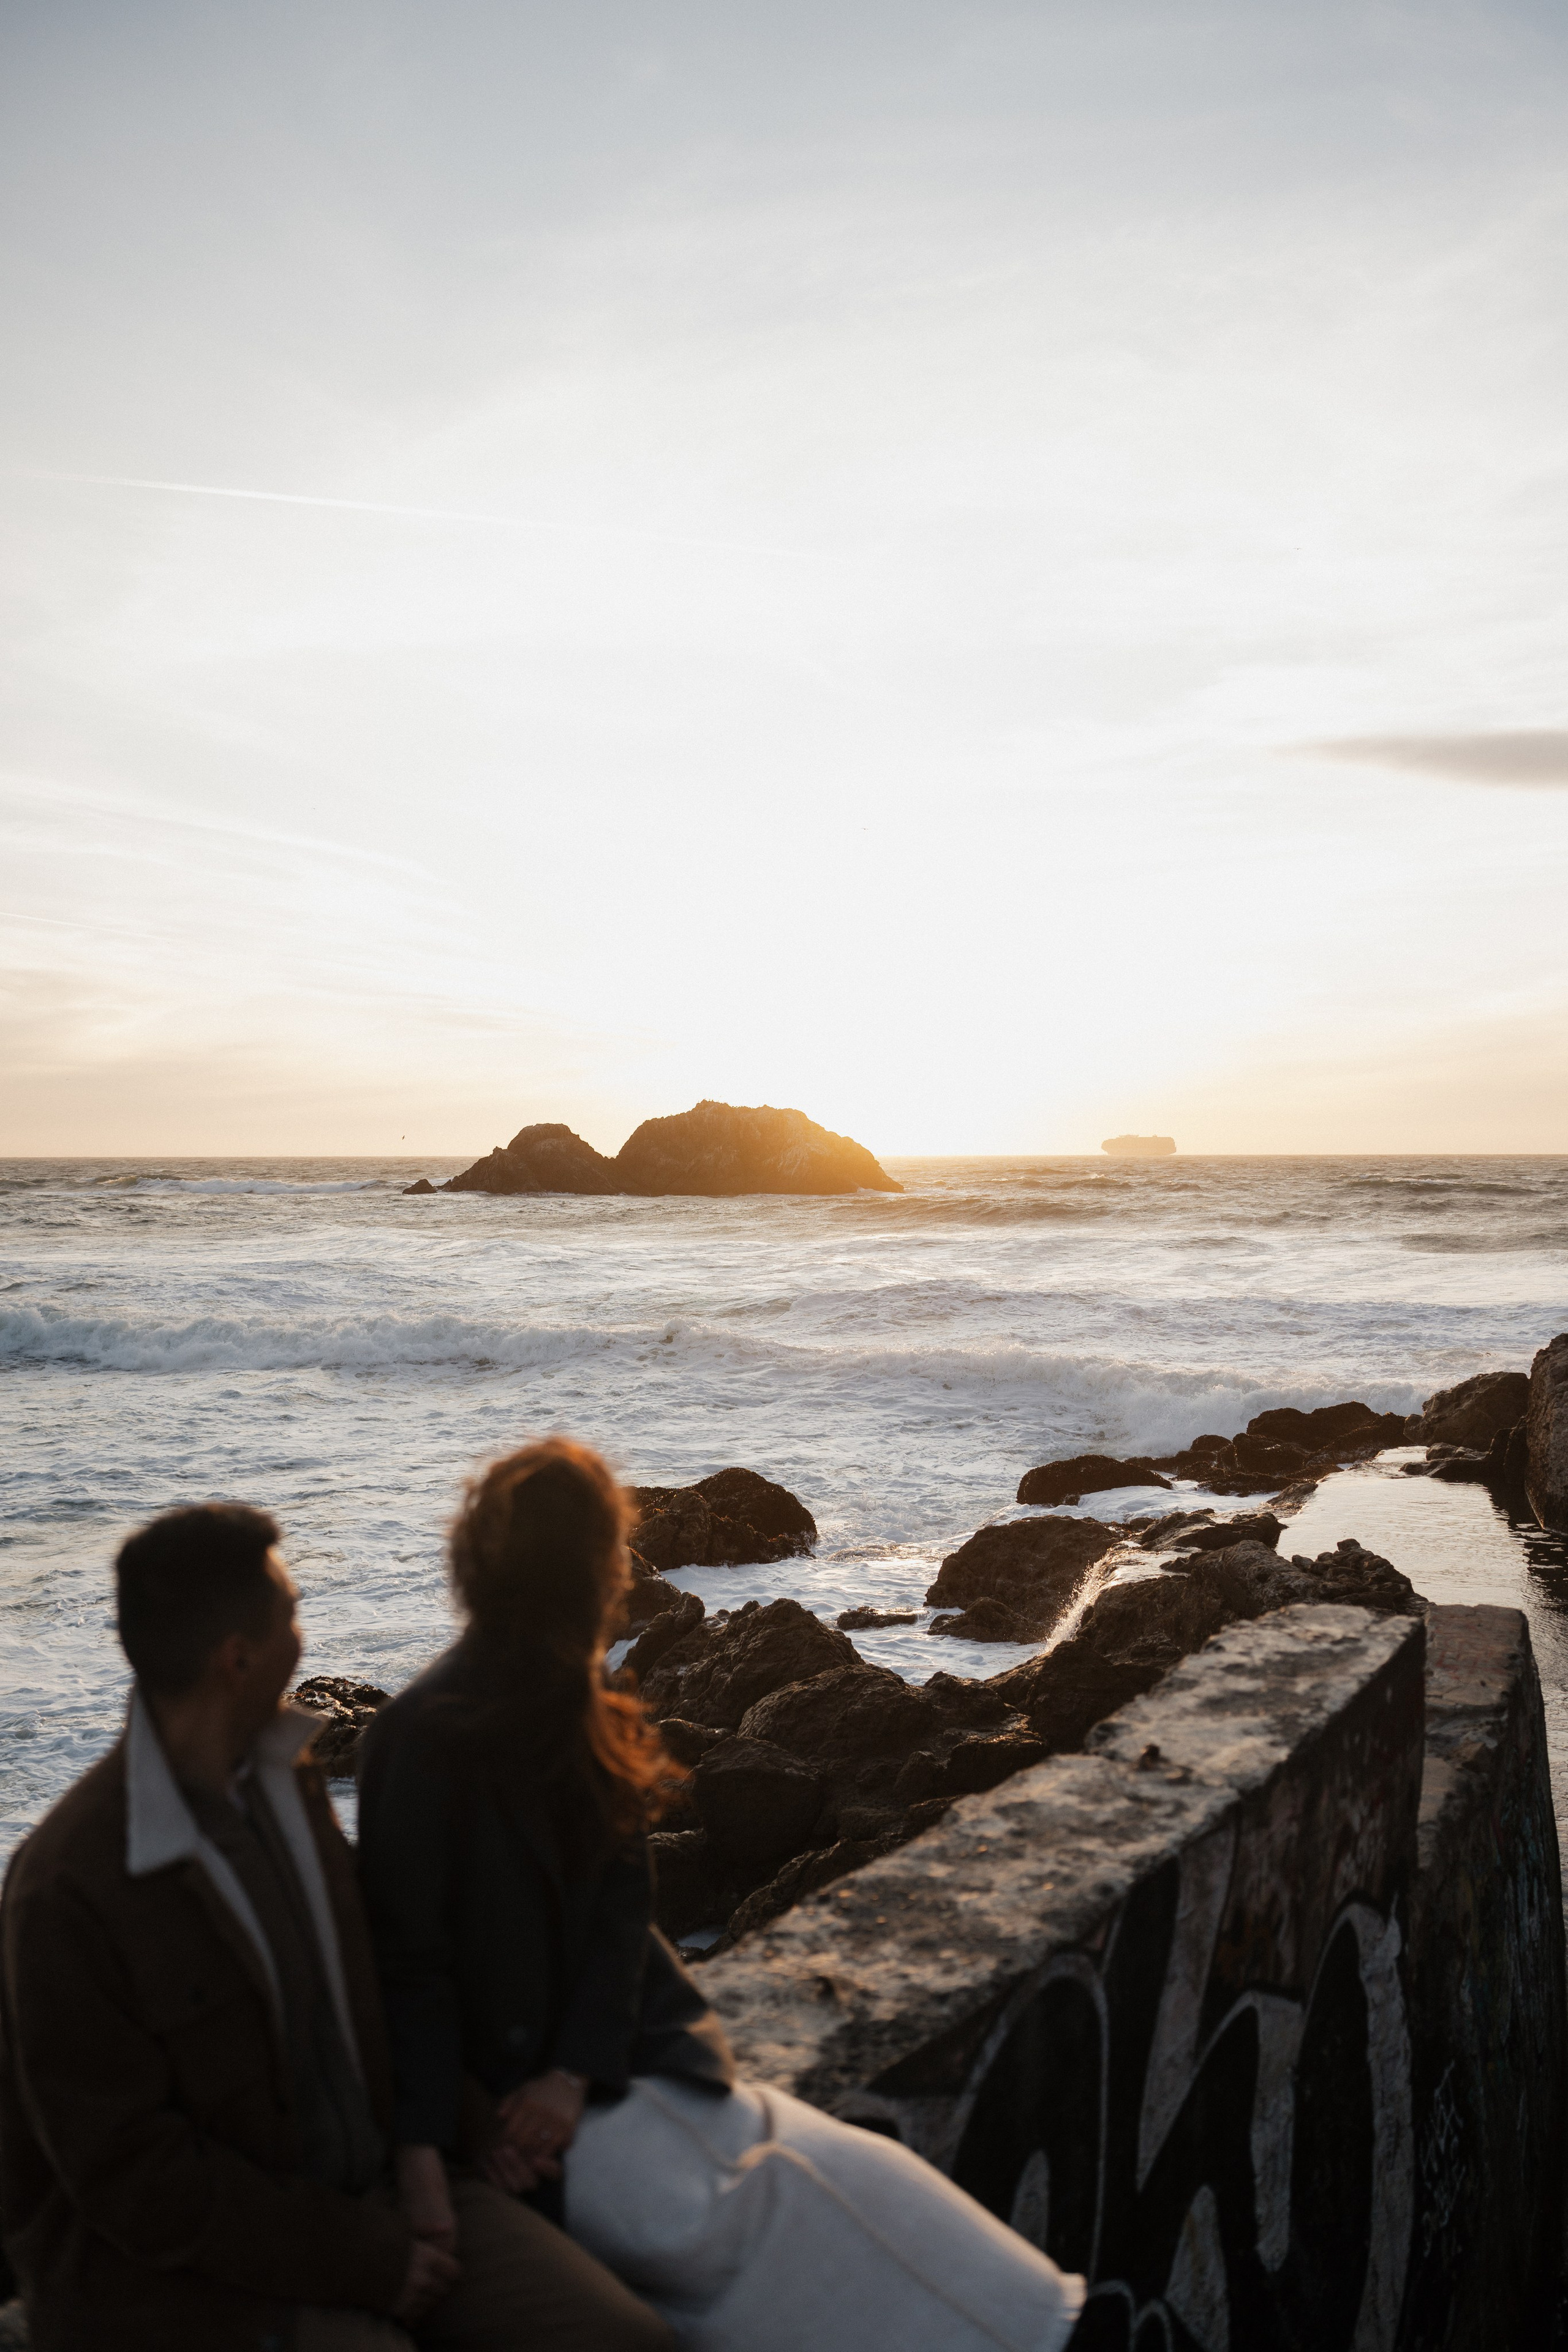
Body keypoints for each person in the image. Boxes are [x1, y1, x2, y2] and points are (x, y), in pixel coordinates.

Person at [356, 1440, 1085, 2352]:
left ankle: (1048, 2323)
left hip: (621, 2067)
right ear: (590, 1568)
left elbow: (622, 1907)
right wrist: (437, 2150)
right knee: (812, 2237)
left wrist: (571, 2071)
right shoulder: (421, 1737)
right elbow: (405, 1968)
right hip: (531, 2118)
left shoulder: (575, 1698)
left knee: (865, 2187)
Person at [0, 1502, 673, 2352]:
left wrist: (453, 2141)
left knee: (623, 2339)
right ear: (238, 1661)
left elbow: (369, 1980)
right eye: (293, 1614)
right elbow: (135, 2181)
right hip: (191, 2280)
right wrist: (366, 2260)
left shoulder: (288, 1778)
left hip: (380, 2186)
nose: (304, 1637)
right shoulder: (71, 1888)